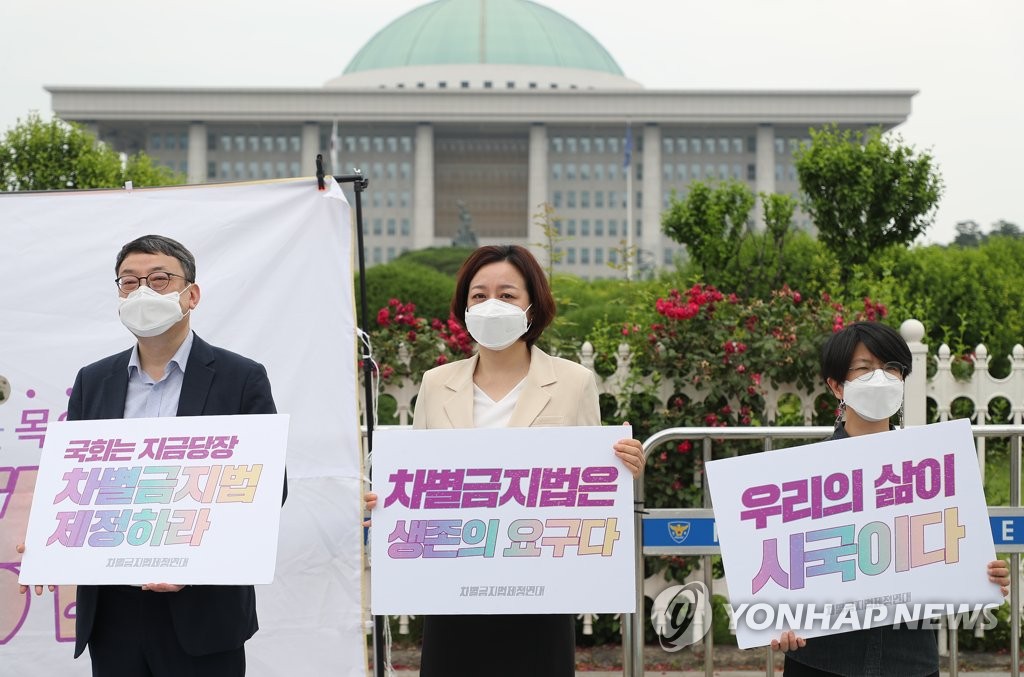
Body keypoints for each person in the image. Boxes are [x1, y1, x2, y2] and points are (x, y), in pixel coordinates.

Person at [364, 244, 645, 677]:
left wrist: (624, 466)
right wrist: (383, 505)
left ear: (533, 305)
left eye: (507, 294)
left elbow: (594, 483)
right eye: (479, 295)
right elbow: (418, 482)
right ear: (463, 306)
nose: (491, 305)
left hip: (541, 589)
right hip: (453, 587)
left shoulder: (572, 381)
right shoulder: (436, 383)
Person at [19, 234, 286, 677]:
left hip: (202, 607)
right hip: (113, 608)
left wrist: (195, 565)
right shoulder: (93, 380)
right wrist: (50, 543)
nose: (142, 292)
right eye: (129, 282)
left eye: (159, 280)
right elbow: (77, 481)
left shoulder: (240, 377)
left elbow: (268, 488)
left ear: (191, 294)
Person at [772, 321, 1010, 677]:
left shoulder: (936, 472)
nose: (881, 378)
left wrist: (985, 576)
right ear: (837, 386)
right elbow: (780, 564)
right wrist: (776, 620)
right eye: (865, 369)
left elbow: (952, 550)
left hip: (909, 659)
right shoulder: (802, 477)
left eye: (891, 368)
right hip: (823, 660)